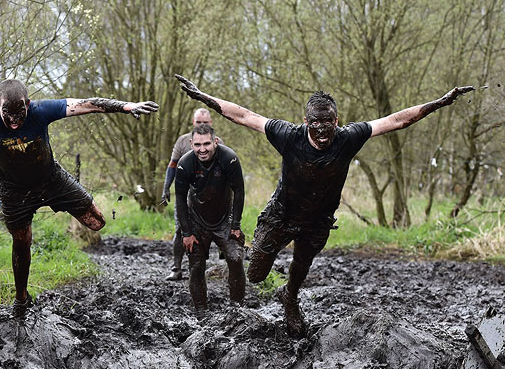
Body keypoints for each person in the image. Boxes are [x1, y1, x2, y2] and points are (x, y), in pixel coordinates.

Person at [176, 73, 473, 337]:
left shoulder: (348, 138)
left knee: (301, 264)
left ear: (337, 121)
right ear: (306, 122)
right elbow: (244, 115)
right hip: (281, 214)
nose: (321, 129)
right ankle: (271, 269)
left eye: (327, 122)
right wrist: (203, 97)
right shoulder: (288, 135)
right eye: (315, 122)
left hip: (318, 219)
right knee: (255, 274)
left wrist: (440, 102)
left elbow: (397, 120)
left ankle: (289, 298)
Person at [0, 78, 158, 315]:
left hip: (52, 180)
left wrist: (127, 106)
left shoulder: (42, 110)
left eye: (20, 114)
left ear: (28, 104)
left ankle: (60, 210)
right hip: (14, 190)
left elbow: (87, 104)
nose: (15, 121)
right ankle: (21, 298)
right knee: (22, 242)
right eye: (9, 114)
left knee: (97, 222)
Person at [175, 123, 245, 314]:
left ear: (215, 142)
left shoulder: (229, 158)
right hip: (196, 219)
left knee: (235, 258)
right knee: (196, 265)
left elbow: (239, 191)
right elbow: (180, 199)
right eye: (197, 145)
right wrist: (186, 232)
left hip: (224, 218)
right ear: (191, 144)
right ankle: (201, 313)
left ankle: (237, 310)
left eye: (206, 144)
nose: (202, 149)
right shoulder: (185, 163)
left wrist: (236, 224)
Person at [161, 108, 224, 281]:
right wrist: (166, 187)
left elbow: (226, 170)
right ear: (193, 122)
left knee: (219, 228)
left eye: (205, 123)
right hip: (186, 194)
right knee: (181, 229)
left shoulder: (218, 142)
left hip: (211, 195)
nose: (202, 125)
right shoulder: (183, 141)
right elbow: (172, 165)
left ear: (210, 123)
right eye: (199, 122)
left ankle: (221, 265)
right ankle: (176, 268)